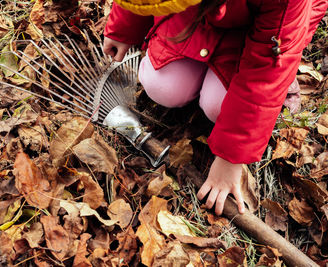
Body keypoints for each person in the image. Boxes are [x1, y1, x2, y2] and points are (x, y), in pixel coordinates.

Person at [102, 0, 328, 216]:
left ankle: (285, 78)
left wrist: (231, 158)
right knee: (162, 86)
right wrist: (123, 29)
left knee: (216, 106)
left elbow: (264, 72)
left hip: (266, 34)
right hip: (197, 15)